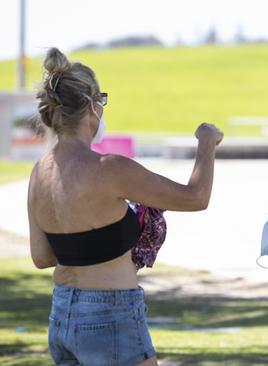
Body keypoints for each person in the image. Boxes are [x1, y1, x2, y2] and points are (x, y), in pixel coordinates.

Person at [28, 48, 224, 366]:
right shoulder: (110, 168)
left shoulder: (40, 172)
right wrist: (206, 142)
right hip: (110, 311)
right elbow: (195, 197)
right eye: (101, 100)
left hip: (62, 312)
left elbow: (42, 257)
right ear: (92, 105)